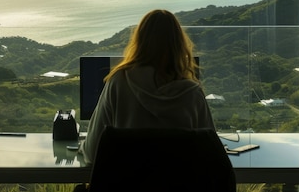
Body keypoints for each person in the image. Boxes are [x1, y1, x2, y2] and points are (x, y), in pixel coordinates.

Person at [80, 9, 215, 163]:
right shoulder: (192, 94)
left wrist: (83, 146)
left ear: (139, 42)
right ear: (179, 45)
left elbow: (92, 153)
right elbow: (211, 155)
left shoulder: (119, 83)